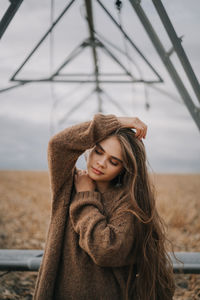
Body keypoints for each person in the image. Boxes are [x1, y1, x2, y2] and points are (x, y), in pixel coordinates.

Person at [33, 113, 175, 300]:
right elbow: (58, 145)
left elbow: (106, 251)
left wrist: (85, 197)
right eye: (99, 151)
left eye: (114, 161)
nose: (101, 163)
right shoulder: (68, 185)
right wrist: (115, 122)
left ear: (124, 168)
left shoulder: (128, 203)